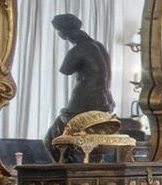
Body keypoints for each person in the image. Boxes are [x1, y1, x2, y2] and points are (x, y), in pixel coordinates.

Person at [45, 12, 115, 150]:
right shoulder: (99, 46)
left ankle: (65, 168)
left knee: (52, 139)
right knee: (85, 144)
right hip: (106, 103)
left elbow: (66, 69)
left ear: (63, 32)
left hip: (84, 104)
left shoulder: (78, 50)